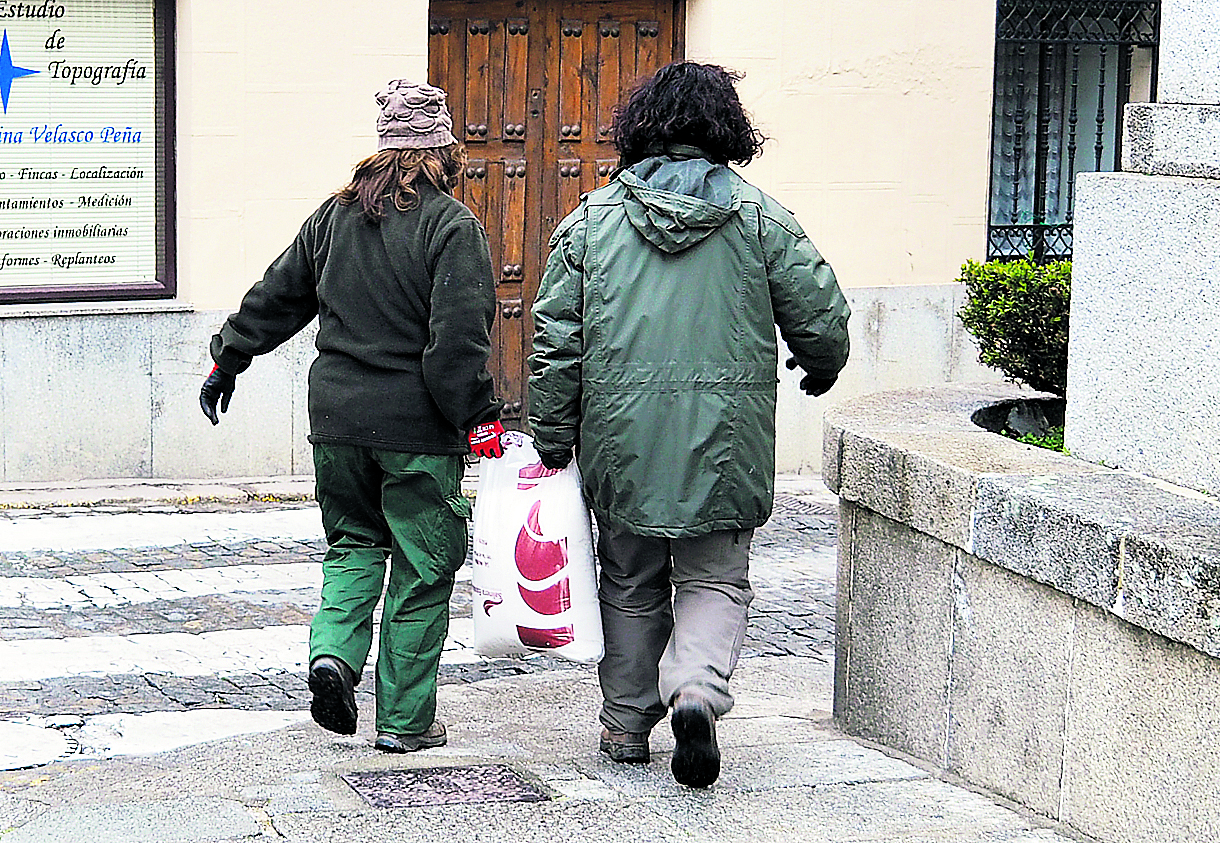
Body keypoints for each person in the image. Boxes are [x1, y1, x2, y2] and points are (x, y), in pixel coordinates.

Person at [528, 61, 851, 788]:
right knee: (714, 577)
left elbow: (555, 339)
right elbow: (822, 315)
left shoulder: (591, 220)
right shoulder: (759, 215)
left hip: (622, 440)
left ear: (641, 126)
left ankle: (625, 723)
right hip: (726, 442)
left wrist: (551, 434)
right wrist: (819, 362)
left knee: (631, 578)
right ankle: (697, 689)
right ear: (727, 128)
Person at [199, 80, 505, 754]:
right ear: (442, 149)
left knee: (354, 546)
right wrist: (480, 419)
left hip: (336, 423)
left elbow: (277, 295)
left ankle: (333, 655)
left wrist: (229, 356)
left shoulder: (333, 216)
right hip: (416, 433)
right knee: (423, 569)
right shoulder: (451, 225)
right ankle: (403, 720)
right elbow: (456, 346)